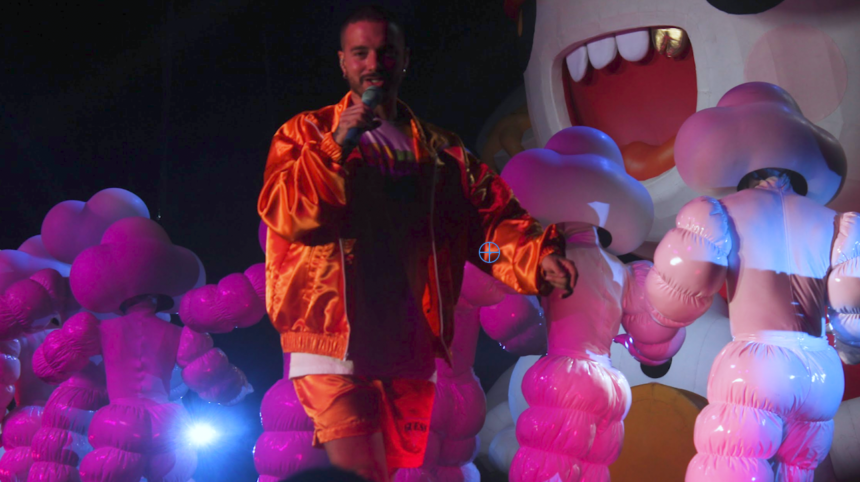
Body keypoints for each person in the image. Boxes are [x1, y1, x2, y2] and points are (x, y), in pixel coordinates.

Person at [257, 5, 577, 482]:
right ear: (343, 62)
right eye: (360, 53)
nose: (373, 64)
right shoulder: (305, 133)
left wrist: (534, 257)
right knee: (357, 467)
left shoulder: (444, 153)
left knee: (389, 473)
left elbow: (486, 232)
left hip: (409, 346)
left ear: (404, 60)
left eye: (385, 52)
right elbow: (289, 215)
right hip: (333, 338)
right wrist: (336, 145)